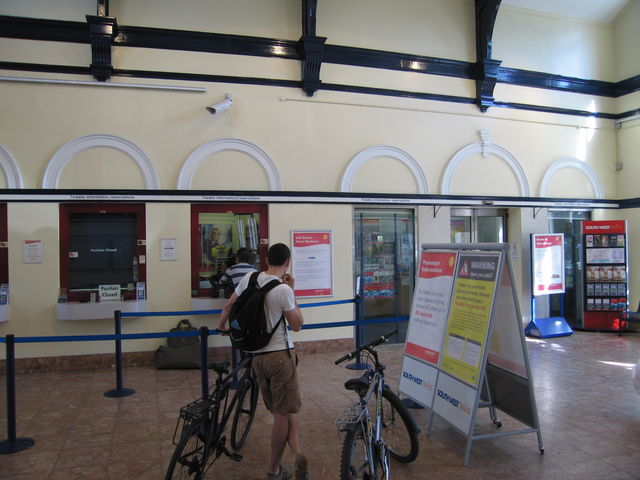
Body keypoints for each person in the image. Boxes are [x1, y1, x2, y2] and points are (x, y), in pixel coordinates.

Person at [218, 243, 308, 480]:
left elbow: (229, 305)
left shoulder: (249, 277)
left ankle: (298, 453)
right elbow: (297, 325)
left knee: (286, 410)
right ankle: (274, 469)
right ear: (287, 262)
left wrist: (221, 326)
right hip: (280, 358)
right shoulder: (283, 290)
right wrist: (292, 291)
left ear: (267, 260)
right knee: (282, 413)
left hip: (257, 358)